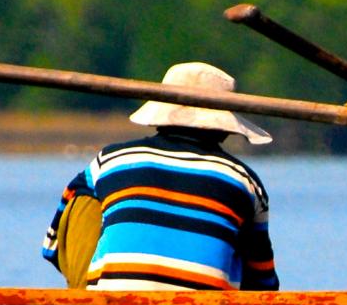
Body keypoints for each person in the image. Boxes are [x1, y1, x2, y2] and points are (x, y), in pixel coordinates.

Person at [41, 62, 279, 292]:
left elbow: (53, 248)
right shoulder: (245, 180)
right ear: (225, 127)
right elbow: (263, 287)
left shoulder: (111, 160)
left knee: (85, 195)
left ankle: (86, 302)